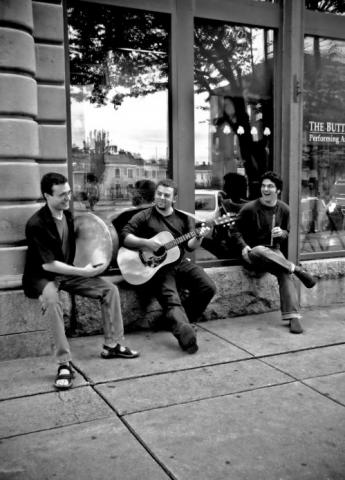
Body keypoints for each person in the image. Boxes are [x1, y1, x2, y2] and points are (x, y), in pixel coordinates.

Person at [22, 172, 139, 391]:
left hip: (69, 273)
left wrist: (93, 261)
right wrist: (82, 272)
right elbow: (49, 265)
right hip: (43, 277)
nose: (68, 198)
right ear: (47, 196)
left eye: (69, 193)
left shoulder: (67, 215)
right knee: (52, 301)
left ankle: (112, 345)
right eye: (62, 195)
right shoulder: (36, 224)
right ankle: (64, 364)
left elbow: (83, 241)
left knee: (109, 290)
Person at [121, 179, 217, 354]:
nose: (161, 198)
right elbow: (125, 236)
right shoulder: (145, 215)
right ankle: (187, 336)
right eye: (159, 193)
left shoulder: (183, 218)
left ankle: (181, 322)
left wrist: (200, 236)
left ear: (174, 199)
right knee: (171, 300)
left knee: (208, 287)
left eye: (166, 195)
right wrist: (148, 244)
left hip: (179, 263)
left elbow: (189, 247)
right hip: (156, 268)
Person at [233, 171, 317, 334]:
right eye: (264, 186)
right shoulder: (249, 208)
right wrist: (243, 246)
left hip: (274, 253)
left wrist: (282, 234)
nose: (266, 189)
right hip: (253, 254)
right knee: (259, 249)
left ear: (278, 190)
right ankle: (297, 268)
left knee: (285, 274)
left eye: (270, 186)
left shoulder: (284, 209)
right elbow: (234, 230)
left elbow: (287, 232)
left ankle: (293, 317)